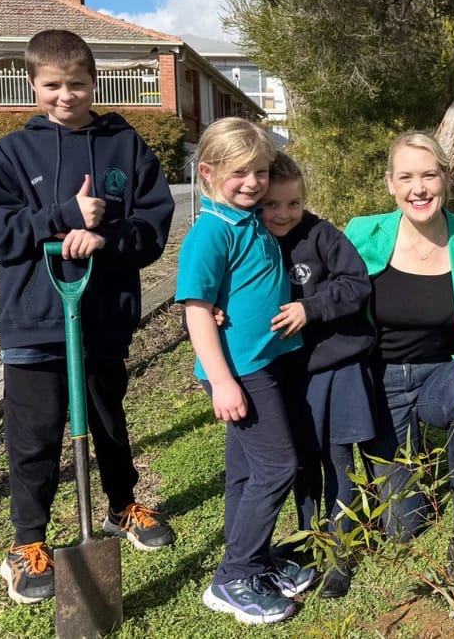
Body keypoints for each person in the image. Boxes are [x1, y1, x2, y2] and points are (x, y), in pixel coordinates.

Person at [0, 29, 176, 605]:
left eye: (78, 84)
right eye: (52, 86)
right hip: (36, 319)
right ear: (32, 85)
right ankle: (27, 543)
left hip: (103, 315)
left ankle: (120, 507)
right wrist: (61, 217)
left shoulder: (125, 146)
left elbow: (153, 227)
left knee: (108, 421)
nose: (66, 96)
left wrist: (103, 236)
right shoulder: (14, 152)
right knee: (34, 436)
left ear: (94, 82)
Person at [176, 118, 314, 625]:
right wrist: (222, 380)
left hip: (264, 362)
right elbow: (195, 308)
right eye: (240, 173)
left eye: (259, 171)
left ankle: (253, 560)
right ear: (209, 173)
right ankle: (235, 577)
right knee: (278, 467)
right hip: (242, 372)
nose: (253, 182)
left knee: (245, 472)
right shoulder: (211, 232)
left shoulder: (249, 217)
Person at [343, 131, 454, 572]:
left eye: (429, 175)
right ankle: (413, 472)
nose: (418, 188)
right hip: (382, 379)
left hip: (442, 374)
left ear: (446, 178)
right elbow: (307, 274)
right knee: (404, 525)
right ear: (390, 183)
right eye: (406, 177)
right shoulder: (362, 233)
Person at [259, 152, 377, 599]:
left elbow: (356, 284)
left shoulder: (323, 235)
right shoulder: (253, 237)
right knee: (302, 464)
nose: (283, 214)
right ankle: (310, 541)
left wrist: (312, 308)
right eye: (272, 204)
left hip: (335, 369)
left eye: (293, 203)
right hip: (285, 374)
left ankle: (339, 550)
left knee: (337, 460)